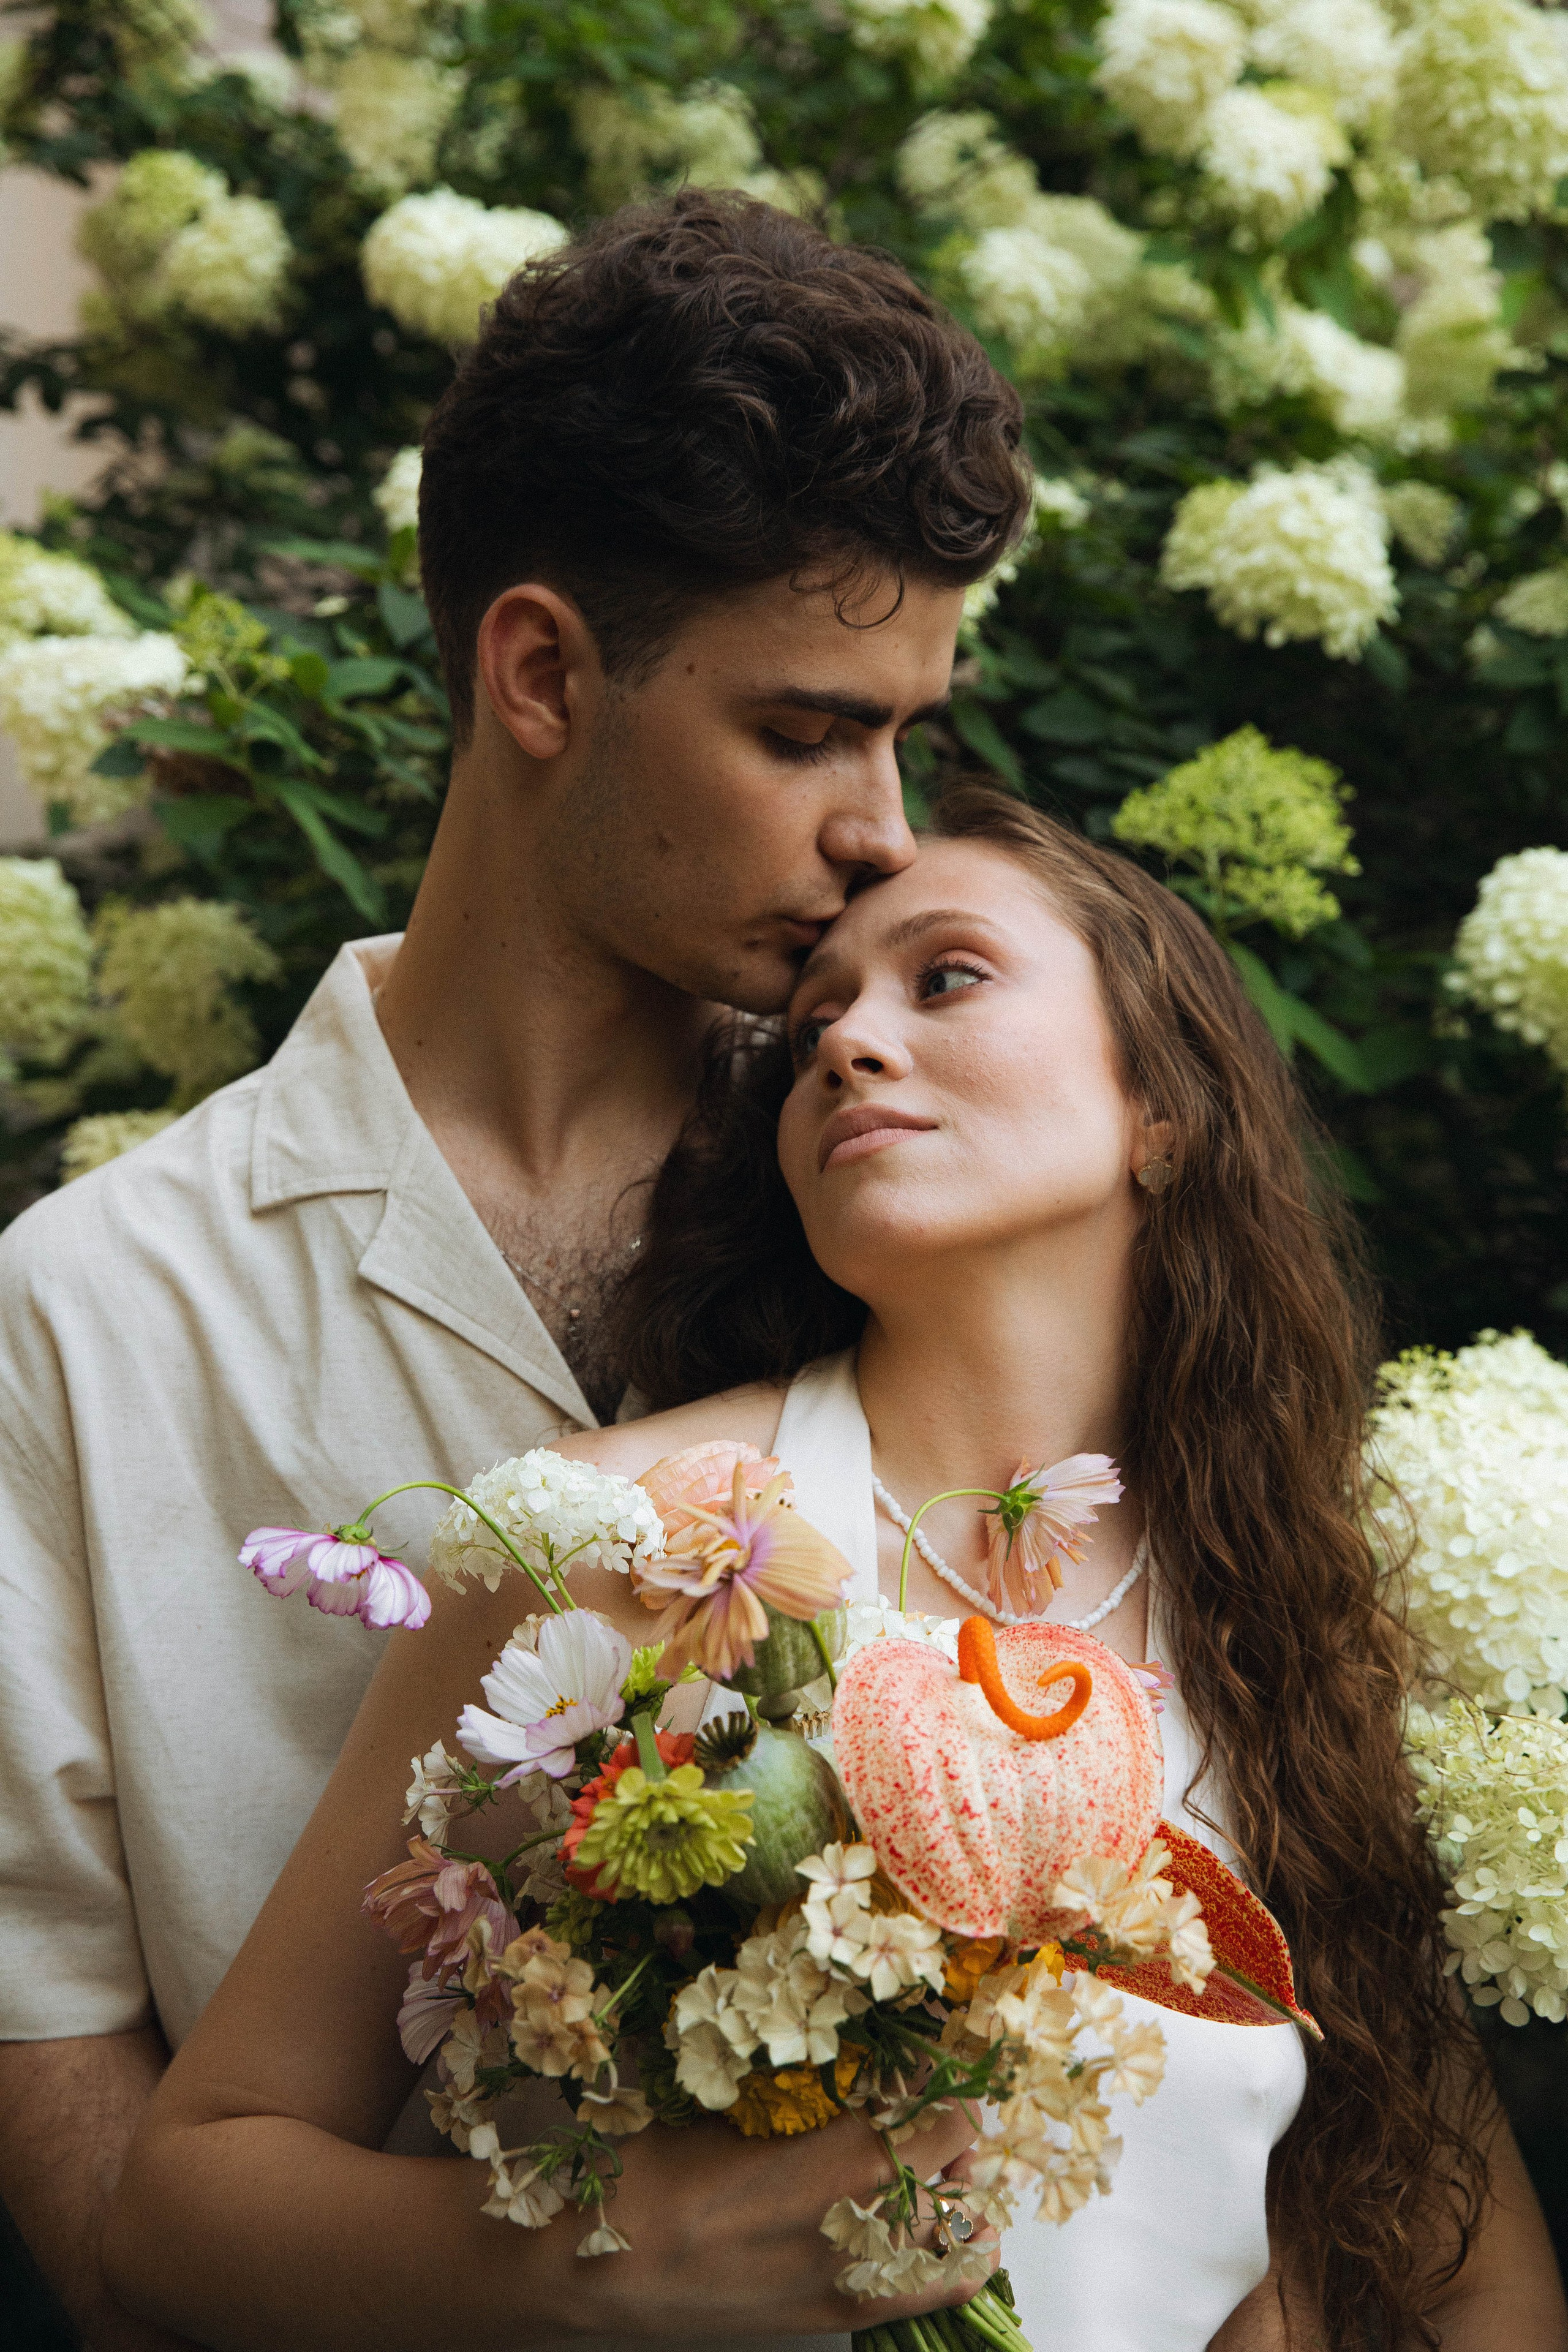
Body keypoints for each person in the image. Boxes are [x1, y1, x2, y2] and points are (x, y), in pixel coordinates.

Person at [105, 786, 1567, 2351]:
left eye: (944, 979)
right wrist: (583, 2266)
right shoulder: (609, 1546)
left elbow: (1465, 2265)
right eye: (809, 1030)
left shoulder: (1300, 1619)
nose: (848, 1044)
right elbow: (180, 2207)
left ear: (1166, 1108)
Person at [0, 192, 1030, 2349]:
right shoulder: (83, 1319)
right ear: (542, 670)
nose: (886, 826)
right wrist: (577, 2278)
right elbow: (90, 2205)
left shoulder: (936, 1170)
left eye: (910, 735)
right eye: (809, 730)